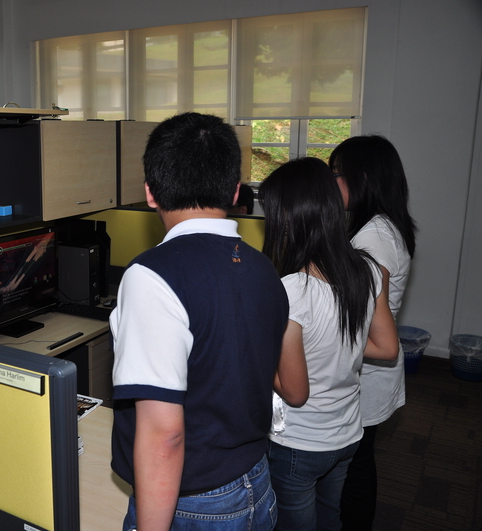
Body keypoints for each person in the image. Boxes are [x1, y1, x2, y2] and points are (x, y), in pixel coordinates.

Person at [109, 112, 289, 531]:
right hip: (258, 484)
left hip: (194, 504)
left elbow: (164, 434)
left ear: (150, 193)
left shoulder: (151, 276)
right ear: (236, 190)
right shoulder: (265, 268)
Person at [258, 157, 399, 531]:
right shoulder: (368, 270)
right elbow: (387, 347)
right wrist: (332, 344)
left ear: (290, 218)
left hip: (300, 443)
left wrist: (257, 353)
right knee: (331, 516)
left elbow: (295, 392)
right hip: (348, 433)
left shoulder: (293, 291)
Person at [330, 135, 417, 530]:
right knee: (359, 462)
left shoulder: (374, 238)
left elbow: (363, 317)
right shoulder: (381, 226)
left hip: (369, 368)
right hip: (371, 367)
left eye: (338, 174)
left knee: (354, 468)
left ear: (362, 178)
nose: (333, 183)